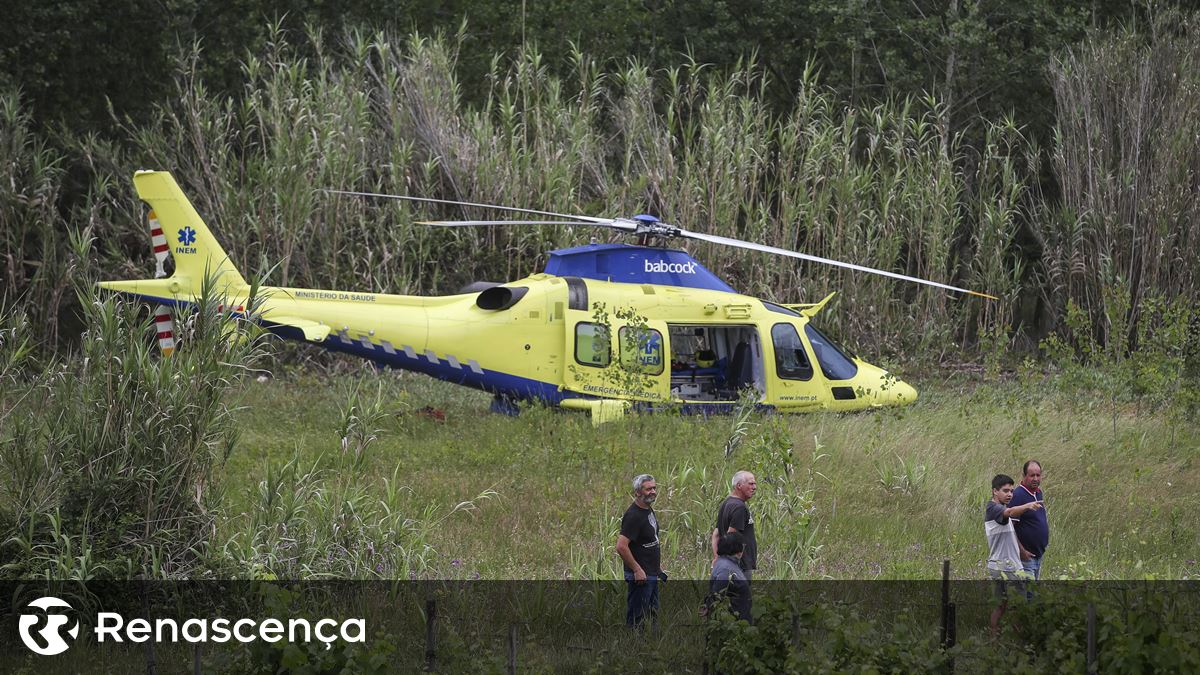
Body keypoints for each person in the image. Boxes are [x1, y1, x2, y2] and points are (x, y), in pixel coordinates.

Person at [985, 473, 1043, 637]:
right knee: (1020, 605)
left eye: (1011, 491)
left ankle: (994, 640)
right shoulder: (994, 509)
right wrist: (1026, 506)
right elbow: (1010, 513)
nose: (1010, 494)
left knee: (1001, 605)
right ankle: (1021, 641)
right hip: (1009, 566)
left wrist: (1022, 551)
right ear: (995, 491)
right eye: (1005, 491)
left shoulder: (999, 509)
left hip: (997, 565)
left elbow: (1010, 533)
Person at [617, 473, 665, 628]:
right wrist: (637, 569)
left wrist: (656, 568)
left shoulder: (647, 509)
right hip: (640, 576)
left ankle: (650, 647)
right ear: (637, 492)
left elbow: (650, 541)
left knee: (652, 615)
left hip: (651, 572)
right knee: (638, 618)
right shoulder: (633, 516)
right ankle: (634, 647)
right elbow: (621, 546)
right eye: (648, 489)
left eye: (654, 488)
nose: (653, 492)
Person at [712, 471, 757, 615]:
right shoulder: (739, 508)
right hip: (739, 566)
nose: (754, 487)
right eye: (750, 483)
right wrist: (733, 562)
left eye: (754, 483)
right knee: (740, 607)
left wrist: (717, 558)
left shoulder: (727, 502)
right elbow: (731, 536)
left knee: (725, 604)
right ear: (739, 485)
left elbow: (716, 534)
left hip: (728, 565)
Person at [1009, 460, 1048, 580]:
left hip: (1038, 556)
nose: (1035, 479)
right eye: (1032, 475)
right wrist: (1021, 551)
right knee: (1027, 595)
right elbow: (1010, 528)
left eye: (1038, 475)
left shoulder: (1038, 493)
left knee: (1033, 594)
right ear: (1024, 476)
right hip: (1026, 559)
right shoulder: (1018, 495)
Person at [705, 532, 751, 623]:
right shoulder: (726, 569)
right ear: (738, 550)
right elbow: (716, 594)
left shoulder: (722, 563)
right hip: (734, 625)